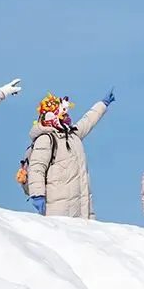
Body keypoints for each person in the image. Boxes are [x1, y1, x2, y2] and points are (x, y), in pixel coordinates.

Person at [26, 88, 114, 219]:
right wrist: (38, 194)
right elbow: (37, 168)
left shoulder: (72, 135)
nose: (66, 116)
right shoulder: (46, 139)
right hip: (57, 209)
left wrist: (102, 105)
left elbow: (87, 121)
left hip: (82, 209)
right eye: (62, 113)